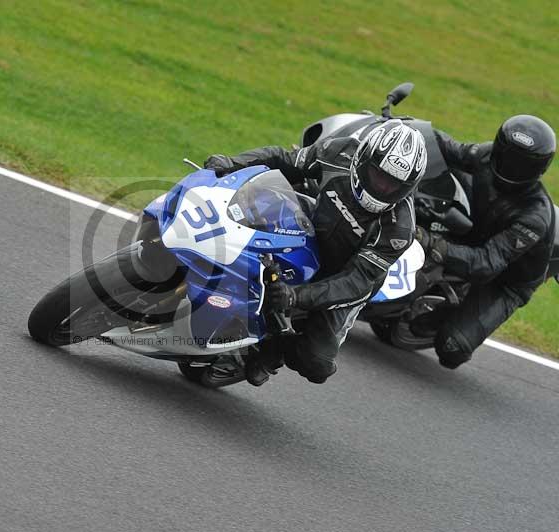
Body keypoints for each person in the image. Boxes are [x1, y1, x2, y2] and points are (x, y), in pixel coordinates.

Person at [205, 119, 427, 385]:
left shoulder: (399, 229)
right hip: (308, 232)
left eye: (393, 185)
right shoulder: (339, 152)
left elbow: (355, 282)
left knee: (317, 364)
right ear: (364, 158)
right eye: (379, 176)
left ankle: (271, 352)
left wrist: (295, 296)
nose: (383, 188)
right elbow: (284, 160)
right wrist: (233, 163)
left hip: (345, 275)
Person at [416, 115, 556, 369]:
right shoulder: (485, 156)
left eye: (519, 166)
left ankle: (448, 313)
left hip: (505, 280)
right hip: (477, 233)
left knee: (451, 349)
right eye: (504, 158)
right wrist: (409, 130)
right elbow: (450, 148)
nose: (507, 168)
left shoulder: (534, 216)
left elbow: (486, 264)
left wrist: (432, 243)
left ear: (537, 171)